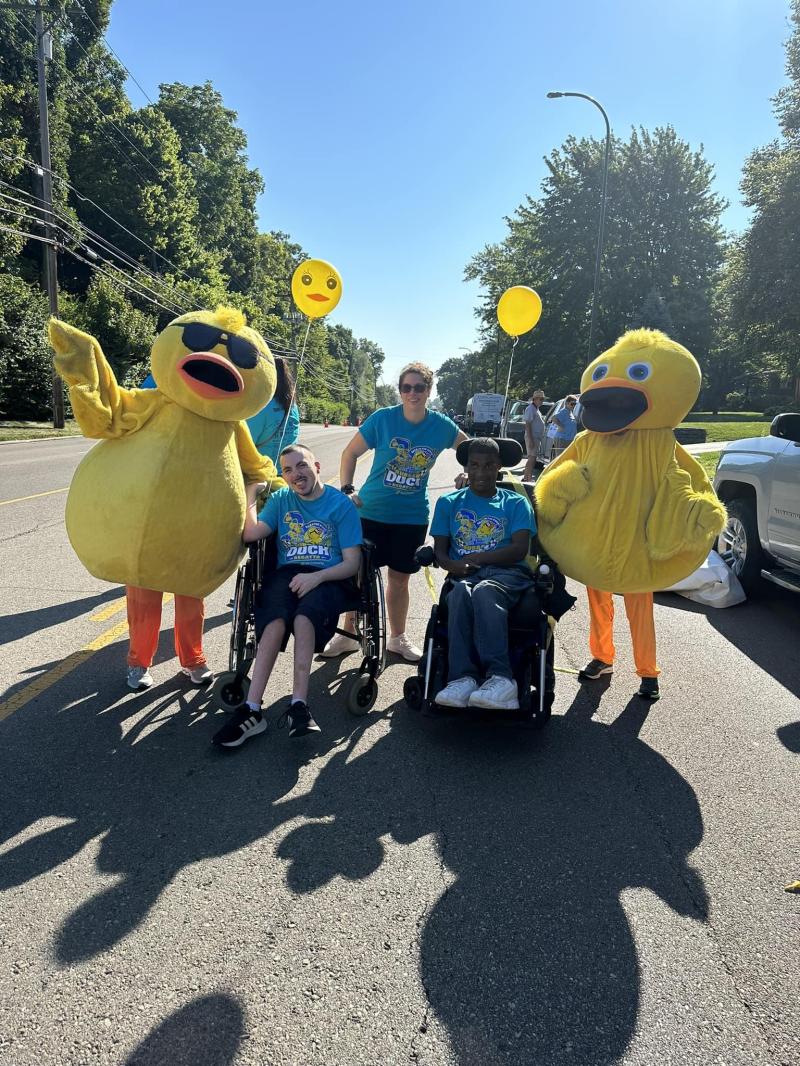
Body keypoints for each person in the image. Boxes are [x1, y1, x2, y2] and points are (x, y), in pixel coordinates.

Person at [213, 444, 363, 748]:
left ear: (317, 466)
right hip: (286, 573)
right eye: (288, 470)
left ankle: (299, 705)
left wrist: (317, 577)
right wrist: (252, 494)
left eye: (302, 465)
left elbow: (352, 563)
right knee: (276, 618)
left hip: (328, 576)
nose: (296, 474)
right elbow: (252, 534)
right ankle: (252, 710)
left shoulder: (340, 505)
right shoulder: (282, 499)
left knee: (305, 616)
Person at [322, 362, 468, 662]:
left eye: (419, 388)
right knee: (357, 575)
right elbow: (350, 453)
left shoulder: (441, 425)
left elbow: (471, 447)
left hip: (411, 517)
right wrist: (348, 488)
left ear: (429, 390)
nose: (412, 393)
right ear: (399, 391)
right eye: (406, 387)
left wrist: (467, 472)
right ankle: (347, 634)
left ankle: (398, 638)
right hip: (370, 512)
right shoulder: (383, 419)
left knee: (399, 580)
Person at [430, 438, 537, 710]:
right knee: (459, 595)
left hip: (508, 573)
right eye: (474, 465)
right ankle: (463, 679)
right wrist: (451, 565)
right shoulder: (448, 502)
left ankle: (501, 679)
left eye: (489, 465)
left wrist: (477, 558)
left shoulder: (515, 503)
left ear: (499, 467)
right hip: (464, 574)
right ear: (466, 467)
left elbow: (518, 549)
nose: (481, 472)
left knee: (484, 590)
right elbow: (440, 553)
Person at [245, 356, 300, 464]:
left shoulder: (261, 407)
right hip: (289, 471)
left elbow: (246, 445)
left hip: (265, 474)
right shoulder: (292, 406)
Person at [522, 389, 547, 481]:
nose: (541, 401)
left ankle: (528, 476)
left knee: (532, 458)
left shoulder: (536, 409)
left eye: (542, 399)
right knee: (531, 458)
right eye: (540, 399)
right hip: (532, 437)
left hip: (536, 437)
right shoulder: (531, 408)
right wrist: (531, 439)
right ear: (534, 399)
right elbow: (527, 424)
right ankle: (526, 477)